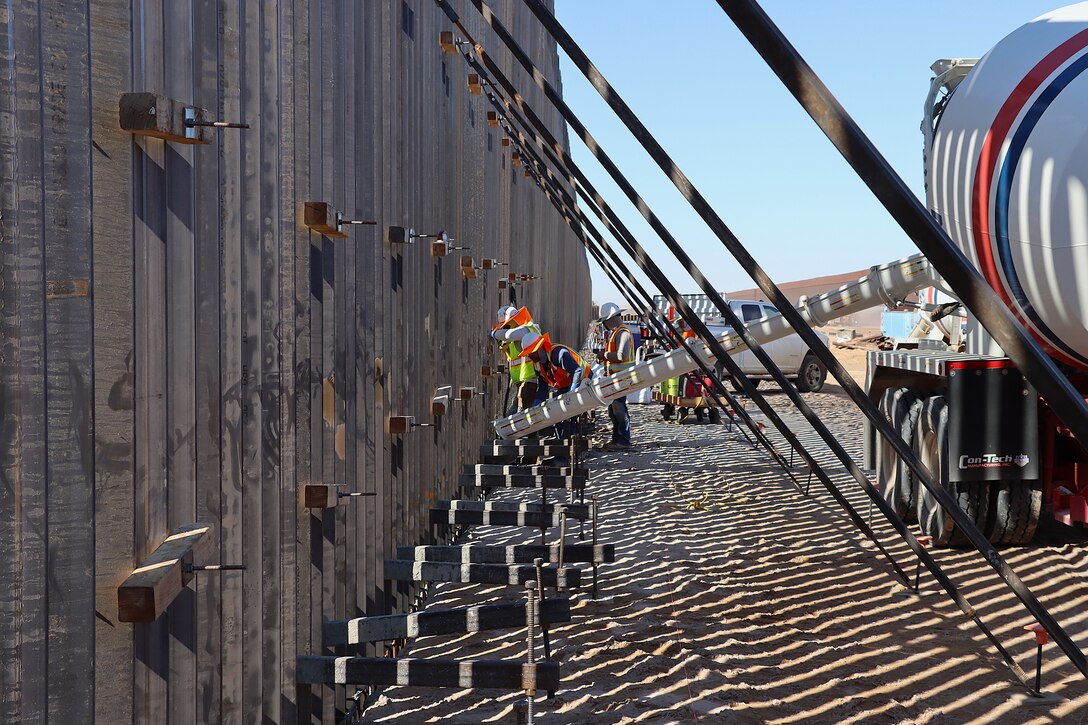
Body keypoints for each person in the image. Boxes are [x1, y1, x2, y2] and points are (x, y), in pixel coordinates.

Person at [517, 331, 591, 440]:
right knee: (558, 416)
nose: (529, 356)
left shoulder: (558, 353)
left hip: (583, 378)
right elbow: (543, 387)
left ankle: (569, 442)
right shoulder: (537, 365)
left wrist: (572, 392)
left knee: (569, 413)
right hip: (565, 384)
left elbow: (576, 371)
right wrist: (536, 403)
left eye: (531, 353)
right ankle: (561, 443)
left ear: (539, 349)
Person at [491, 305, 542, 415]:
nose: (506, 327)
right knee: (516, 415)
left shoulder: (527, 329)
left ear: (513, 320)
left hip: (530, 380)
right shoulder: (516, 337)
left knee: (517, 415)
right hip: (523, 381)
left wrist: (494, 333)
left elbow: (509, 335)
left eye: (507, 324)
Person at [598, 302, 634, 450]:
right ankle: (617, 439)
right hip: (614, 378)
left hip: (621, 378)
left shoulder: (623, 333)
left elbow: (621, 356)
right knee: (614, 409)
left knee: (619, 408)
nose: (604, 325)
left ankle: (623, 440)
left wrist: (604, 355)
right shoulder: (616, 332)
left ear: (610, 318)